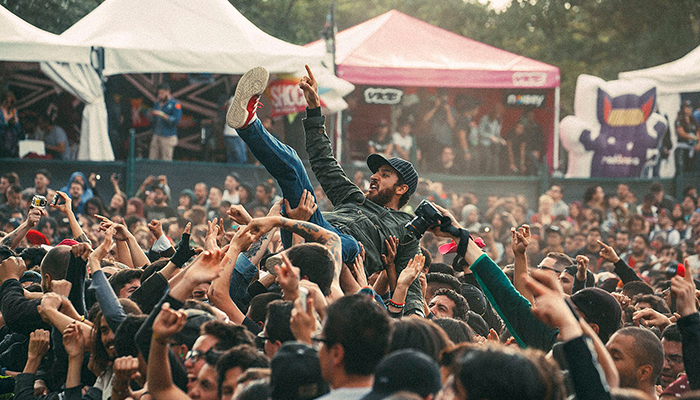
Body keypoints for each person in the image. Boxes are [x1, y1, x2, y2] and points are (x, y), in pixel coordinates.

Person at [226, 66, 423, 315]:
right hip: (309, 226)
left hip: (344, 257)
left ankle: (289, 260)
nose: (374, 177)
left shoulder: (407, 229)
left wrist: (417, 316)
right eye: (376, 172)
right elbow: (323, 161)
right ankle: (248, 124)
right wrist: (313, 108)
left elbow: (410, 283)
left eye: (385, 175)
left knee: (347, 243)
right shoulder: (353, 197)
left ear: (401, 188)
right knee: (293, 165)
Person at [149, 82, 183, 161]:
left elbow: (175, 120)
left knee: (166, 160)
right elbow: (153, 120)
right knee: (152, 158)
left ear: (168, 92)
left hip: (168, 136)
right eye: (159, 93)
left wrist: (163, 115)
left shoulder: (175, 104)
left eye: (162, 93)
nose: (160, 95)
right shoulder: (157, 104)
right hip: (156, 134)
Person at [674, 99, 700, 173]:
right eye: (687, 108)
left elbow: (698, 130)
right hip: (683, 147)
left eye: (690, 107)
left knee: (691, 169)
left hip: (692, 147)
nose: (689, 110)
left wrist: (698, 142)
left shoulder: (693, 120)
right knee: (681, 169)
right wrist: (692, 137)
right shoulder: (679, 119)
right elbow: (681, 132)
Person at [0, 90, 21, 158]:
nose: (8, 104)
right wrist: (6, 121)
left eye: (11, 102)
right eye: (7, 102)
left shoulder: (13, 111)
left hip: (12, 141)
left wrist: (15, 122)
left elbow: (18, 129)